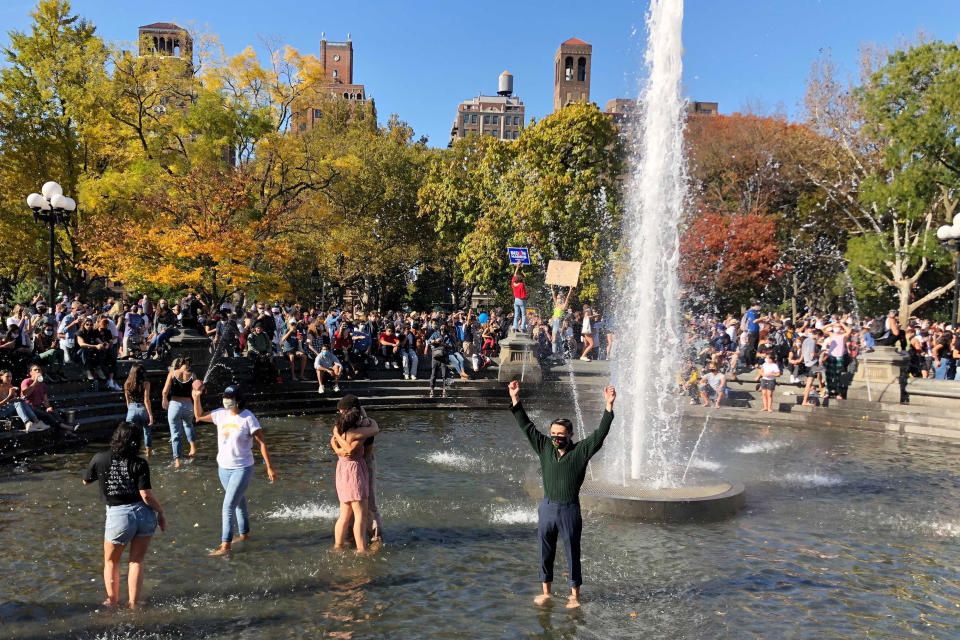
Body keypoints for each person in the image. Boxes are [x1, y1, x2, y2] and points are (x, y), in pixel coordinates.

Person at [508, 379, 616, 609]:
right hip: (547, 507)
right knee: (545, 551)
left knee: (571, 552)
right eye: (553, 433)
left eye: (560, 434)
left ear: (570, 435)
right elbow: (527, 427)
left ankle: (574, 595)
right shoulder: (545, 447)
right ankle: (546, 592)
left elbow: (600, 434)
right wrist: (515, 400)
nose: (556, 437)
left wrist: (608, 406)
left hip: (569, 509)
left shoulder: (580, 451)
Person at [83, 422, 167, 609]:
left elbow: (86, 481)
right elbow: (146, 495)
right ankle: (133, 603)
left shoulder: (100, 458)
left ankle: (112, 601)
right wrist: (161, 512)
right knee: (136, 561)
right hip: (144, 515)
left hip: (119, 516)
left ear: (115, 438)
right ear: (136, 442)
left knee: (111, 561)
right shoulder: (140, 463)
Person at [192, 384, 278, 556]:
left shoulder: (248, 418)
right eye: (224, 397)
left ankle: (225, 546)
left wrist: (269, 467)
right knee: (239, 503)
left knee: (228, 506)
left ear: (238, 401)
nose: (226, 401)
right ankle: (245, 535)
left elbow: (261, 442)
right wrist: (196, 398)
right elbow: (199, 416)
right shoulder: (220, 414)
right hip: (223, 468)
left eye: (229, 398)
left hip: (242, 468)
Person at [329, 394, 379, 553]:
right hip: (355, 473)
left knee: (343, 515)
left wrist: (336, 440)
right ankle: (361, 548)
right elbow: (374, 430)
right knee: (360, 515)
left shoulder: (338, 430)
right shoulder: (359, 433)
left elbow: (334, 441)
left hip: (341, 472)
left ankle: (338, 545)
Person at [161, 357, 197, 468]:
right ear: (189, 365)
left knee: (175, 434)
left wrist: (164, 399)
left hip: (175, 406)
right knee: (188, 425)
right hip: (188, 406)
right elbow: (195, 393)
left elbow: (165, 390)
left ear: (179, 364)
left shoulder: (172, 373)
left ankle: (177, 461)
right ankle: (192, 447)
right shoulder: (193, 376)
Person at [124, 363, 154, 457]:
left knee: (130, 434)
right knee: (147, 432)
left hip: (132, 409)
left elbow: (127, 401)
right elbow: (146, 400)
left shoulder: (127, 383)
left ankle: (130, 453)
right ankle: (148, 454)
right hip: (143, 409)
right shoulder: (146, 384)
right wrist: (150, 415)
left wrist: (132, 411)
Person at [511, 264, 528, 333]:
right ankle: (522, 327)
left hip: (516, 300)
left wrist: (517, 267)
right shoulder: (521, 285)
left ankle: (514, 327)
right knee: (523, 314)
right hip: (521, 300)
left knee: (516, 314)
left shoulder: (513, 284)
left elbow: (514, 275)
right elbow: (524, 294)